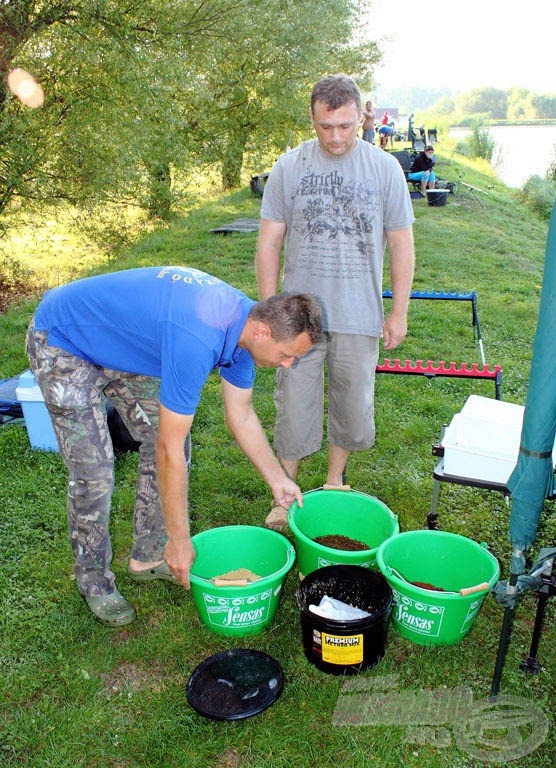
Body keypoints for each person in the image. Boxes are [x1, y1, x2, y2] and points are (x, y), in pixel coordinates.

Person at [26, 266, 323, 626]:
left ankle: (148, 558)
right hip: (64, 340)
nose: (289, 365)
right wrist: (181, 541)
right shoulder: (197, 339)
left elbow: (241, 416)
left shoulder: (244, 333)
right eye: (287, 354)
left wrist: (277, 479)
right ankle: (95, 582)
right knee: (96, 472)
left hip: (121, 342)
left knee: (169, 447)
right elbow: (168, 446)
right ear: (263, 331)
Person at [256, 74, 415, 530]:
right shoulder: (289, 167)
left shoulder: (384, 169)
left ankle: (333, 481)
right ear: (312, 118)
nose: (336, 136)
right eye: (326, 126)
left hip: (358, 312)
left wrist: (398, 310)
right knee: (294, 405)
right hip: (297, 318)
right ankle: (285, 494)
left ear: (361, 116)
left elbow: (402, 243)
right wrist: (271, 309)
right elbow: (269, 242)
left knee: (351, 402)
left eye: (345, 125)